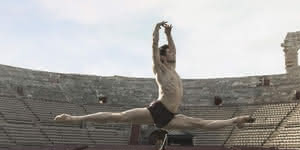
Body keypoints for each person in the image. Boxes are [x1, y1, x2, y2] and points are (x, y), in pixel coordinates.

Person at [54, 21, 255, 130]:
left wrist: (169, 35)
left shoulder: (173, 67)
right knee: (119, 117)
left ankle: (235, 121)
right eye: (168, 53)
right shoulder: (160, 68)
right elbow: (153, 48)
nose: (172, 54)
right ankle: (73, 118)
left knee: (201, 124)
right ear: (162, 56)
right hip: (157, 110)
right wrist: (156, 32)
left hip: (171, 115)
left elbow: (174, 49)